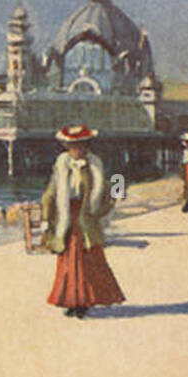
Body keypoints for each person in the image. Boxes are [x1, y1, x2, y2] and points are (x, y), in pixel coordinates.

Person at [41, 125, 125, 318]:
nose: (77, 150)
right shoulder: (61, 166)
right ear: (67, 147)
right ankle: (71, 301)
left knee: (88, 261)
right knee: (68, 261)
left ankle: (84, 302)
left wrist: (107, 206)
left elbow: (111, 187)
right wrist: (46, 219)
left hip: (86, 218)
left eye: (81, 146)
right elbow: (50, 194)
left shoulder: (95, 166)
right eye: (73, 146)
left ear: (86, 147)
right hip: (66, 217)